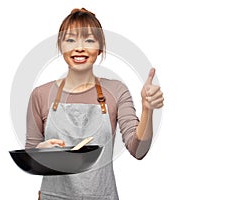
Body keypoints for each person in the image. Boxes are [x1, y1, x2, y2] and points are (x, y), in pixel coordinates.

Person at [25, 8, 164, 200]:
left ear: (99, 47)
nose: (79, 47)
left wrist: (147, 110)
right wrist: (41, 153)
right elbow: (31, 159)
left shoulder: (116, 91)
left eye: (89, 40)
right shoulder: (40, 94)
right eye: (71, 40)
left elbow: (138, 150)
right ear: (60, 46)